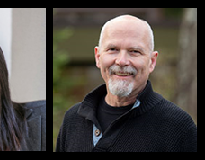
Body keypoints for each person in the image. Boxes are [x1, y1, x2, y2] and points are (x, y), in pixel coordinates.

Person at [56, 15, 197, 152]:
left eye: (134, 51)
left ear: (152, 62)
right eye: (113, 49)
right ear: (98, 57)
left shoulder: (177, 127)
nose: (122, 61)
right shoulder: (73, 119)